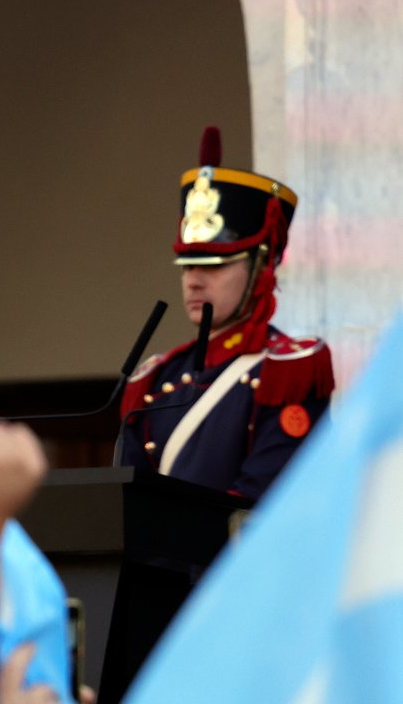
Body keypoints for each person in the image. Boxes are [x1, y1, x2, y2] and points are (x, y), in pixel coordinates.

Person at [119, 125, 333, 500]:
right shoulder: (154, 379)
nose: (194, 281)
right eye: (187, 265)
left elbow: (265, 501)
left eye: (213, 265)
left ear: (261, 267)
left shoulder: (287, 370)